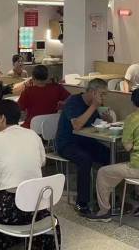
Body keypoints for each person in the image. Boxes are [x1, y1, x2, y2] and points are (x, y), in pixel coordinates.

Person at [0, 100, 59, 250]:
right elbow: (42, 162)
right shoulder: (33, 134)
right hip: (36, 205)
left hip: (9, 206)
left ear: (2, 118)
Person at [86, 88, 139, 222]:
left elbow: (127, 147)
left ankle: (103, 211)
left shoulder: (132, 119)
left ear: (133, 102)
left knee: (103, 172)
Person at [56, 79, 111, 215]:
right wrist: (93, 106)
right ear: (93, 92)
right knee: (85, 159)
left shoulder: (93, 105)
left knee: (109, 155)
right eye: (102, 94)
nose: (104, 98)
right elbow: (77, 125)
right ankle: (82, 203)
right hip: (67, 143)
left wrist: (107, 120)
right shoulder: (73, 102)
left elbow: (93, 124)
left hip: (85, 141)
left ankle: (103, 196)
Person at [18, 65, 70, 129]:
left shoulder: (27, 91)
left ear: (33, 77)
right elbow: (70, 99)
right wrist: (60, 107)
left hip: (32, 126)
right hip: (51, 126)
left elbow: (19, 111)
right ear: (47, 76)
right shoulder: (57, 88)